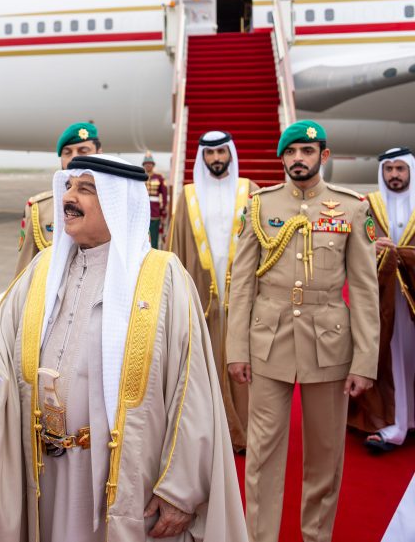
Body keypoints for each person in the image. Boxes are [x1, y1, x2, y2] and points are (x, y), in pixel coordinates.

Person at [0, 153, 248, 542]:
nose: (69, 197)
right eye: (68, 186)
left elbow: (193, 392)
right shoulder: (44, 268)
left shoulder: (163, 279)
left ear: (119, 204)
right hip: (45, 471)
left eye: (85, 189)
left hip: (121, 479)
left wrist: (179, 489)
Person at [226, 120, 380, 542]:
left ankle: (316, 536)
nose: (298, 159)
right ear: (282, 158)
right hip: (268, 341)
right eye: (291, 152)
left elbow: (365, 291)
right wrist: (236, 348)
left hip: (329, 344)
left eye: (307, 152)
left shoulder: (352, 207)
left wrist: (365, 361)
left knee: (325, 456)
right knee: (262, 455)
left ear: (323, 157)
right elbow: (241, 284)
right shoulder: (259, 206)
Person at [170, 131, 257, 452]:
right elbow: (177, 248)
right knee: (203, 363)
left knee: (243, 362)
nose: (216, 159)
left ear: (231, 154)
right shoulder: (188, 196)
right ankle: (208, 436)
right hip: (203, 296)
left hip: (243, 295)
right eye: (210, 154)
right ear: (202, 157)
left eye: (221, 152)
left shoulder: (251, 191)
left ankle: (245, 432)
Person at [349, 147, 415, 452]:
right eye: (389, 170)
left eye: (400, 169)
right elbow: (351, 244)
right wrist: (371, 247)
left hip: (412, 294)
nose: (394, 175)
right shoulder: (368, 206)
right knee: (393, 359)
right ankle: (394, 423)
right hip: (384, 297)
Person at [15, 122, 102, 276]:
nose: (74, 158)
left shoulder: (119, 206)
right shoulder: (39, 209)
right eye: (67, 152)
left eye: (83, 151)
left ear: (99, 153)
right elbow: (24, 274)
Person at [143, 149, 168, 248]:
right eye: (146, 163)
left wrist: (163, 211)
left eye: (150, 163)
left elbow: (164, 195)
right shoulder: (140, 177)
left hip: (155, 212)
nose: (148, 165)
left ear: (153, 165)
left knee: (154, 237)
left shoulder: (159, 177)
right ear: (144, 165)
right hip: (142, 212)